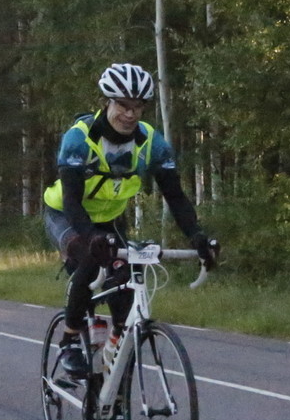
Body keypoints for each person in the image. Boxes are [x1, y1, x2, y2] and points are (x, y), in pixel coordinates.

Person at [44, 63, 218, 381]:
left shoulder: (152, 143)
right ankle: (69, 340)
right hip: (66, 214)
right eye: (123, 105)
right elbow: (71, 201)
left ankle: (114, 352)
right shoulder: (79, 139)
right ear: (106, 102)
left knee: (123, 281)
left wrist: (197, 236)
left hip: (109, 218)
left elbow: (175, 197)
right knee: (89, 258)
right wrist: (89, 237)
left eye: (137, 107)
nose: (130, 114)